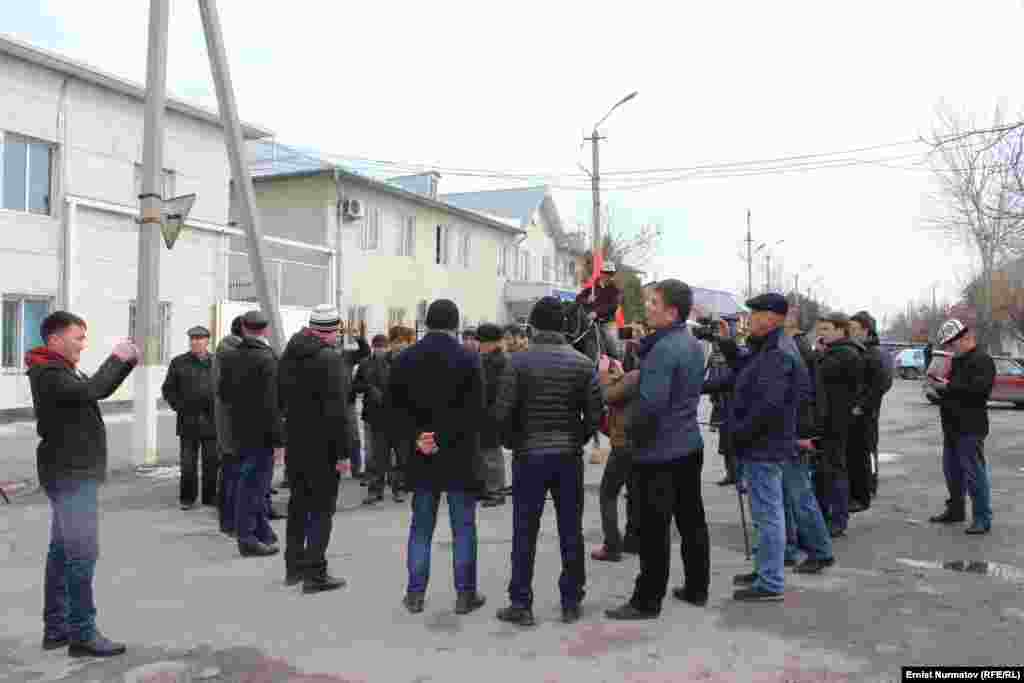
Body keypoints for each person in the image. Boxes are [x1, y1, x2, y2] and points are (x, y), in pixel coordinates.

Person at [27, 311, 138, 657]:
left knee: (62, 553)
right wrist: (118, 359)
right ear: (55, 340)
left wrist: (124, 363)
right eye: (78, 337)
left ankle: (57, 629)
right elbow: (95, 389)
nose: (82, 344)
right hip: (70, 474)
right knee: (81, 555)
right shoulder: (49, 373)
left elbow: (91, 393)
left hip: (72, 472)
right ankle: (82, 633)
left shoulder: (59, 369)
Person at [493, 297, 602, 626]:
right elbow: (595, 415)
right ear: (563, 327)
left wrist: (514, 442)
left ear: (534, 326)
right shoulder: (583, 364)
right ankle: (571, 600)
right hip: (568, 457)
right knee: (571, 530)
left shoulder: (518, 362)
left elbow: (502, 414)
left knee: (524, 531)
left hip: (529, 457)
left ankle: (521, 603)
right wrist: (577, 438)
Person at [606, 280, 708, 619]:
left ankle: (646, 600)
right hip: (688, 444)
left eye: (654, 302)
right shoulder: (691, 344)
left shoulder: (664, 349)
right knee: (691, 520)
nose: (647, 306)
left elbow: (650, 406)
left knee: (653, 528)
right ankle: (696, 587)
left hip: (659, 451)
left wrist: (627, 431)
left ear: (673, 311)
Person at [388, 300, 488, 616]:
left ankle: (415, 594)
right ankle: (465, 594)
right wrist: (443, 437)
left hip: (422, 455)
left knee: (421, 527)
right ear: (456, 324)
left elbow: (393, 409)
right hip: (458, 454)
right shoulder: (469, 358)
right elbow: (475, 411)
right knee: (463, 527)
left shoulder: (405, 358)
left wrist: (419, 436)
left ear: (427, 322)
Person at [727, 293, 808, 602]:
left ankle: (771, 581)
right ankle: (765, 568)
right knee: (764, 514)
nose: (750, 320)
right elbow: (742, 374)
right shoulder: (768, 347)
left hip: (765, 444)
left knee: (768, 514)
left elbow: (768, 406)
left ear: (773, 318)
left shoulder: (777, 352)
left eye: (755, 314)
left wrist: (739, 432)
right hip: (763, 443)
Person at [278, 305, 352, 593]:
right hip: (323, 447)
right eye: (337, 331)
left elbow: (280, 396)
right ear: (330, 330)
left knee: (298, 506)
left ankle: (293, 568)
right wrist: (344, 453)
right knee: (322, 510)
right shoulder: (329, 359)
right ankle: (315, 574)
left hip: (297, 442)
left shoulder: (290, 353)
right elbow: (337, 411)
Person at [217, 310, 285, 558]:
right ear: (265, 330)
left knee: (244, 482)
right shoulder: (267, 359)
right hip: (262, 433)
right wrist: (279, 440)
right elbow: (273, 404)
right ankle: (247, 538)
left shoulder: (231, 356)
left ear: (243, 329)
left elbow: (223, 394)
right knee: (254, 487)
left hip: (237, 429)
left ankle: (260, 532)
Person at [928, 319, 994, 535]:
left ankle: (982, 518)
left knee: (974, 473)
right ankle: (956, 510)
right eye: (947, 344)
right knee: (952, 472)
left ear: (966, 338)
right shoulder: (957, 360)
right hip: (952, 425)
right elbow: (955, 392)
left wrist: (948, 387)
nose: (950, 348)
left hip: (970, 427)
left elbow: (979, 391)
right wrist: (938, 393)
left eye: (952, 343)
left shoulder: (982, 360)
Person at [813, 313, 865, 538]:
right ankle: (827, 515)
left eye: (825, 329)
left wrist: (816, 353)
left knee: (834, 471)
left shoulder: (845, 354)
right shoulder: (835, 352)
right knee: (826, 471)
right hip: (828, 420)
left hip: (835, 421)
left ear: (840, 330)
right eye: (820, 329)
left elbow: (819, 373)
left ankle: (838, 519)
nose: (821, 333)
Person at [591, 331, 641, 562]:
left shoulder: (635, 377)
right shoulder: (643, 375)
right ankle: (633, 539)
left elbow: (608, 396)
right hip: (638, 444)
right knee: (634, 493)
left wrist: (603, 376)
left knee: (608, 494)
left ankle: (612, 545)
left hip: (624, 445)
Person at [162, 326, 218, 511]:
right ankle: (187, 498)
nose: (195, 341)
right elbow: (168, 389)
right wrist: (179, 407)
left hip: (212, 421)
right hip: (188, 421)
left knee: (211, 462)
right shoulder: (179, 362)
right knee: (188, 464)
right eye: (192, 338)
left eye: (199, 338)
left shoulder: (216, 362)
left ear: (207, 341)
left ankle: (210, 498)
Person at [355, 328, 411, 505]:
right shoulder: (376, 362)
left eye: (402, 342)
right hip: (379, 417)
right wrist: (371, 391)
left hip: (400, 417)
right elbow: (364, 384)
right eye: (395, 342)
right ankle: (375, 490)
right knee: (379, 457)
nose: (398, 346)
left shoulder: (408, 362)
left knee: (401, 456)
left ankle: (399, 489)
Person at [848, 311, 893, 511]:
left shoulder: (874, 353)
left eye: (855, 329)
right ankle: (865, 488)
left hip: (866, 414)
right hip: (864, 412)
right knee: (864, 453)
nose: (851, 333)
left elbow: (881, 384)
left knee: (865, 453)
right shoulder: (867, 350)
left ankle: (865, 493)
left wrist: (862, 406)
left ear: (866, 330)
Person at [213, 315, 244, 536]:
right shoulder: (231, 352)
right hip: (231, 421)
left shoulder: (225, 349)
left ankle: (228, 521)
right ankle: (229, 522)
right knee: (232, 473)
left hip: (227, 419)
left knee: (229, 472)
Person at [477, 323, 510, 507]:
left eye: (481, 342)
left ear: (490, 343)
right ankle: (487, 489)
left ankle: (496, 491)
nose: (479, 346)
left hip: (491, 412)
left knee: (491, 455)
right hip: (486, 412)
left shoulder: (498, 361)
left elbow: (491, 387)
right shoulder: (491, 358)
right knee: (485, 453)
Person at [575, 261, 622, 359]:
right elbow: (578, 298)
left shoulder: (615, 290)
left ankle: (618, 363)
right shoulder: (592, 288)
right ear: (601, 273)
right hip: (591, 322)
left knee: (613, 344)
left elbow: (613, 306)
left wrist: (597, 313)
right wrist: (587, 300)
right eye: (605, 273)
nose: (607, 276)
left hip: (607, 323)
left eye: (610, 274)